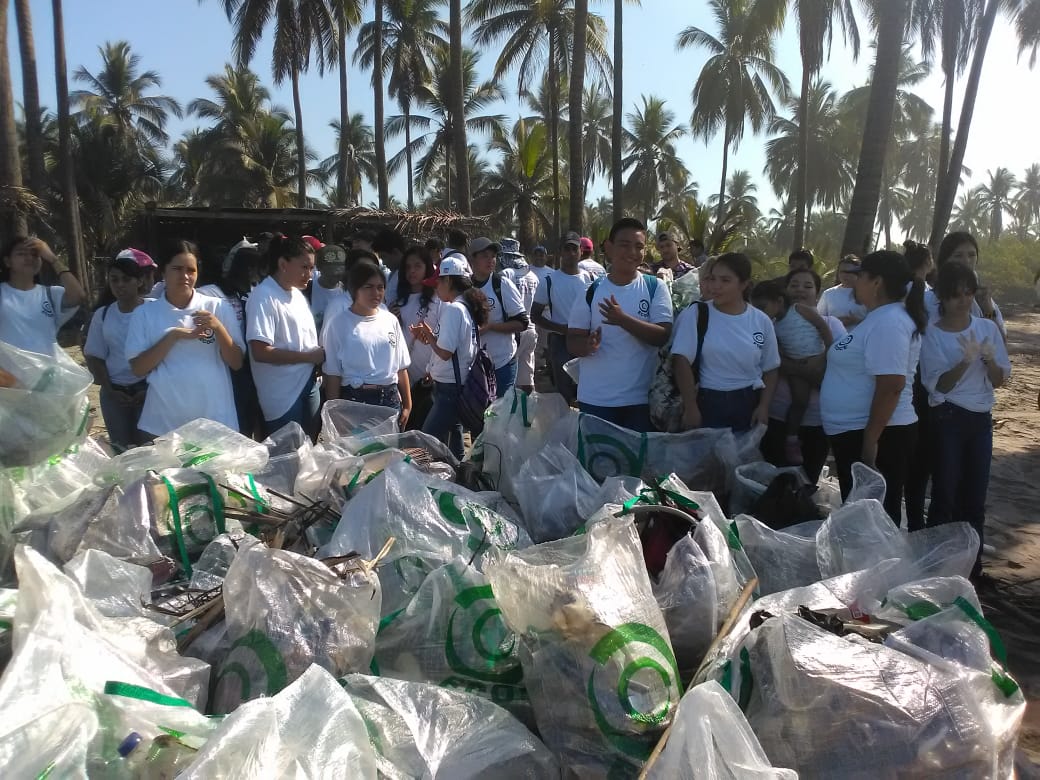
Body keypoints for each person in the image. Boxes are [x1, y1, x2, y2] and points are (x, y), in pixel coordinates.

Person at [820, 250, 927, 525]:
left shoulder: (889, 321)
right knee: (863, 519)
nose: (855, 283)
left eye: (861, 277)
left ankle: (881, 568)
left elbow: (891, 385)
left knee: (874, 522)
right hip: (859, 433)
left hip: (880, 436)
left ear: (876, 282)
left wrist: (870, 441)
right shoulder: (879, 318)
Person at [921, 262, 1010, 580]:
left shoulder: (987, 329)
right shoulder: (932, 334)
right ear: (942, 297)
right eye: (955, 294)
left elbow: (1000, 380)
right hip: (949, 417)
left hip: (981, 420)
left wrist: (988, 362)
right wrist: (965, 361)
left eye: (968, 293)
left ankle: (973, 571)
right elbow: (938, 385)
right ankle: (936, 568)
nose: (962, 300)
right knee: (944, 492)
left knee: (975, 497)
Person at [126, 240, 244, 438]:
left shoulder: (218, 307)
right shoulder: (145, 313)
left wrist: (218, 327)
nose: (185, 276)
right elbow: (138, 368)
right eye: (177, 269)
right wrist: (174, 335)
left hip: (215, 419)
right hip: (164, 422)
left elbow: (236, 362)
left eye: (191, 270)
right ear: (163, 272)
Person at [567, 218, 673, 431]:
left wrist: (622, 320)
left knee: (638, 463)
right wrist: (587, 345)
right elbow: (572, 342)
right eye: (624, 245)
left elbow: (662, 335)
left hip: (641, 400)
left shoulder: (655, 287)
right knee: (598, 462)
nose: (632, 252)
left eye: (639, 247)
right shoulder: (590, 291)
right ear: (609, 247)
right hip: (596, 399)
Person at [672, 253, 780, 434]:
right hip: (708, 403)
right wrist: (691, 407)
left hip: (748, 403)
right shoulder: (697, 314)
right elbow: (681, 361)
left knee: (741, 460)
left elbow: (771, 368)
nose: (716, 286)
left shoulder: (761, 320)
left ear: (744, 284)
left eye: (725, 280)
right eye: (713, 279)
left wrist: (763, 406)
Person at [758, 270, 846, 481]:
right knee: (777, 480)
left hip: (819, 422)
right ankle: (791, 437)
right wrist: (803, 370)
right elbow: (774, 360)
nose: (800, 290)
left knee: (809, 480)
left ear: (817, 293)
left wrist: (823, 358)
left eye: (807, 286)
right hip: (778, 417)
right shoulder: (771, 325)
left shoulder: (831, 322)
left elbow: (841, 360)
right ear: (784, 292)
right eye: (794, 285)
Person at [411, 254, 489, 459]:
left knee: (427, 439)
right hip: (456, 384)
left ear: (448, 281)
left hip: (450, 388)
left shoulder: (455, 309)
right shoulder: (465, 307)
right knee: (454, 434)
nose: (435, 288)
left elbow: (445, 352)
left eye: (438, 282)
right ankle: (460, 472)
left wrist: (428, 335)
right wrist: (431, 338)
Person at [246, 236, 325, 439]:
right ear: (283, 264)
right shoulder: (263, 296)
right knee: (287, 458)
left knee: (309, 450)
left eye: (312, 268)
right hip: (282, 395)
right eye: (304, 267)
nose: (309, 274)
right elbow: (260, 352)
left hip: (308, 383)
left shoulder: (297, 294)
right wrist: (308, 357)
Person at [323, 260, 412, 424]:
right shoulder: (337, 324)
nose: (376, 293)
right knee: (357, 449)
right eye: (368, 287)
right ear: (354, 289)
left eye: (380, 287)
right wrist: (334, 412)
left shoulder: (390, 320)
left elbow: (401, 367)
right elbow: (333, 373)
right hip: (354, 400)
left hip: (389, 400)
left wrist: (407, 404)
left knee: (387, 449)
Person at [83, 255, 150, 451]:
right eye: (114, 279)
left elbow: (166, 353)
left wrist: (150, 390)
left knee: (150, 450)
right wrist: (110, 390)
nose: (120, 285)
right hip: (114, 394)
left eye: (126, 279)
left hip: (149, 392)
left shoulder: (153, 310)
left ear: (139, 281)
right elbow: (95, 356)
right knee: (121, 451)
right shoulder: (102, 315)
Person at [198, 245, 264, 438]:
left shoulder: (255, 292)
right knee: (234, 421)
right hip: (227, 366)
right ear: (247, 268)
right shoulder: (214, 293)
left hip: (252, 367)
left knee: (251, 418)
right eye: (255, 269)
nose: (257, 275)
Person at [0, 236, 86, 354]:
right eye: (21, 253)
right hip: (7, 371)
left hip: (46, 371)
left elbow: (78, 296)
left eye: (35, 254)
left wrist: (53, 259)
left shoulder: (50, 294)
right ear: (7, 261)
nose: (29, 258)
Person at [532, 234, 592, 405]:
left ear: (581, 252)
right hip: (560, 342)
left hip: (586, 340)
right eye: (567, 249)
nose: (571, 253)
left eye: (575, 249)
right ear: (560, 252)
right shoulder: (549, 280)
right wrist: (561, 328)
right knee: (563, 391)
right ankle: (564, 427)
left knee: (586, 388)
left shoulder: (590, 279)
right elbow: (535, 315)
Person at [903, 240, 937, 530]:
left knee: (908, 460)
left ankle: (910, 519)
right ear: (929, 263)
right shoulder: (931, 297)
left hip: (903, 384)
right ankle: (916, 522)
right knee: (922, 461)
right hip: (924, 386)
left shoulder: (896, 293)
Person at [469, 237, 529, 397]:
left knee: (501, 414)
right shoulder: (464, 286)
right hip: (474, 366)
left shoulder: (501, 284)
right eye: (484, 256)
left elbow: (522, 322)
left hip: (502, 363)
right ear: (472, 259)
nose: (490, 260)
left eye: (493, 256)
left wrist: (490, 327)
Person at [927, 231, 1007, 340]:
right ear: (944, 260)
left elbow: (999, 342)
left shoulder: (984, 299)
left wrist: (987, 309)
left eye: (972, 255)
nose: (966, 261)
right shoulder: (929, 301)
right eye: (958, 256)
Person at [499, 238, 540, 394]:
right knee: (527, 377)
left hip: (514, 329)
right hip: (531, 328)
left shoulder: (506, 274)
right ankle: (528, 411)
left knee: (510, 379)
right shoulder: (532, 276)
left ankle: (511, 413)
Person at [817, 254, 868, 330]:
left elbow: (875, 322)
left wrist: (857, 321)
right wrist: (836, 322)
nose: (845, 275)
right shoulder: (828, 294)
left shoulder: (867, 294)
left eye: (849, 272)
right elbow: (818, 320)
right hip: (833, 339)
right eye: (842, 271)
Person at [310, 244, 350, 331]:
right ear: (319, 268)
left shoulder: (348, 292)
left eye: (339, 273)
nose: (336, 275)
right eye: (330, 273)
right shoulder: (307, 290)